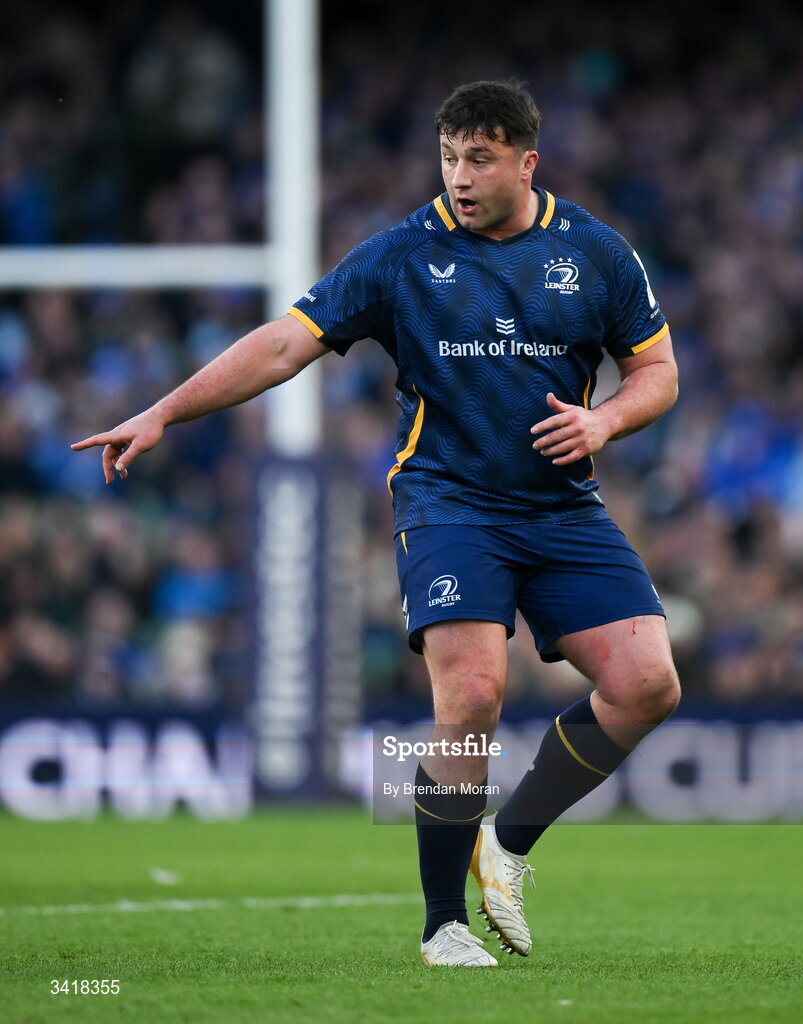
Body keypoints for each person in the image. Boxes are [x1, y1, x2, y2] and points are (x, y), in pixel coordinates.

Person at [72, 79, 681, 967]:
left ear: (525, 161)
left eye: (478, 159)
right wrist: (165, 410)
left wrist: (607, 420)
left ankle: (505, 842)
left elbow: (658, 371)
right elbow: (286, 341)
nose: (459, 177)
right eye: (448, 157)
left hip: (561, 505)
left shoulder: (596, 252)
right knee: (470, 696)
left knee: (649, 685)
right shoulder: (404, 253)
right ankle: (442, 926)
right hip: (448, 503)